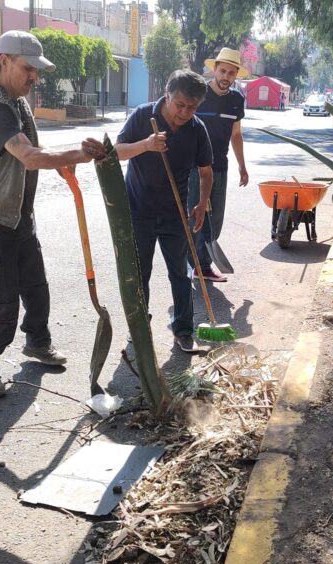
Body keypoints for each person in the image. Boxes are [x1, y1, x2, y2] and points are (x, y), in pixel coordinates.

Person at [0, 30, 107, 398]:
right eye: (28, 68)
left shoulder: (12, 99)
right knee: (1, 298)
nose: (35, 77)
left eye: (37, 70)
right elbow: (30, 156)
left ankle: (37, 341)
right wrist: (78, 156)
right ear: (4, 61)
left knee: (35, 286)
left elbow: (35, 151)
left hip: (16, 212)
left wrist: (64, 159)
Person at [115, 70, 213, 354]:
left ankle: (183, 328)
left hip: (175, 213)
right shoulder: (144, 116)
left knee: (180, 273)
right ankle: (140, 328)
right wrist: (146, 145)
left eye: (192, 107)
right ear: (167, 95)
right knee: (140, 272)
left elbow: (206, 173)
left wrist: (201, 204)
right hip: (138, 211)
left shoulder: (197, 129)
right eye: (180, 104)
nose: (184, 112)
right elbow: (116, 152)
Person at [186, 47, 249, 283]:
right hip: (194, 168)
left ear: (236, 75)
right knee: (196, 215)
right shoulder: (199, 94)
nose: (226, 77)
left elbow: (236, 134)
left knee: (215, 220)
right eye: (222, 71)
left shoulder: (236, 100)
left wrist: (242, 166)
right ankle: (199, 266)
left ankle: (198, 263)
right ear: (215, 69)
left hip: (220, 168)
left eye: (231, 73)